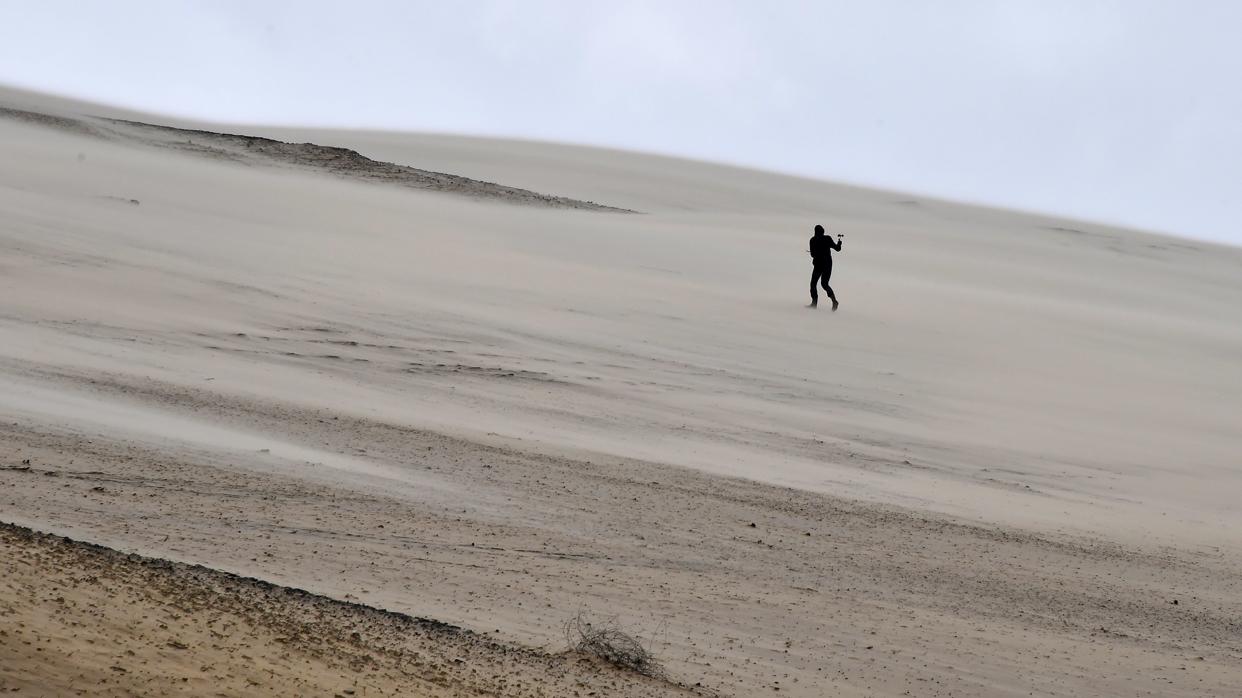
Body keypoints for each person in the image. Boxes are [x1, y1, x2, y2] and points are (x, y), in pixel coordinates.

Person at [807, 224, 842, 310]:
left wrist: (816, 254)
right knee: (825, 284)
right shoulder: (827, 238)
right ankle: (834, 301)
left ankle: (814, 303)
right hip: (827, 264)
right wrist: (839, 243)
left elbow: (812, 254)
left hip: (818, 264)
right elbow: (837, 249)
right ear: (823, 231)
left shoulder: (812, 240)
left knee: (813, 284)